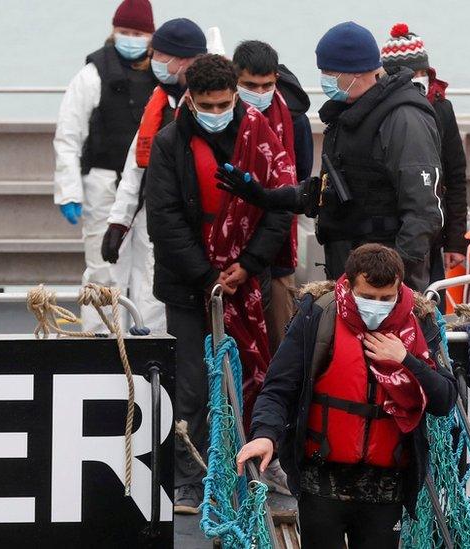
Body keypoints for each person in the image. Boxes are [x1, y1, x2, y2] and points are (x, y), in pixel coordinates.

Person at [144, 54, 294, 514]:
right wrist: (207, 275)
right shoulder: (170, 144)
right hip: (190, 287)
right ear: (189, 100)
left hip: (248, 282)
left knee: (257, 375)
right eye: (206, 106)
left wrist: (248, 264)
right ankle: (190, 477)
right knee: (191, 387)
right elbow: (164, 221)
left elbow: (279, 204)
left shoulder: (260, 137)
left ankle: (263, 467)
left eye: (223, 105)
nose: (215, 113)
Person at [237, 243, 456, 549]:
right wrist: (265, 435)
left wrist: (406, 360)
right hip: (321, 481)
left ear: (399, 289)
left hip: (386, 487)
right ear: (349, 284)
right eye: (367, 297)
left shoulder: (419, 323)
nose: (376, 305)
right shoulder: (318, 315)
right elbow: (278, 388)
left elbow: (444, 400)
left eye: (385, 299)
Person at [315, 21, 444, 291]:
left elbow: (423, 213)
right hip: (350, 273)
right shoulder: (348, 113)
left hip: (386, 286)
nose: (325, 80)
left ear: (356, 73)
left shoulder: (404, 119)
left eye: (330, 73)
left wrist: (387, 277)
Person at [99, 17, 209, 334]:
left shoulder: (213, 103)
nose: (153, 62)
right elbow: (136, 165)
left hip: (199, 225)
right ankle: (150, 358)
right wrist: (118, 222)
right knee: (151, 293)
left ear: (184, 59)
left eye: (160, 55)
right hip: (160, 219)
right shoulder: (161, 102)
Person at [52, 0, 157, 332]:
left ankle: (151, 339)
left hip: (152, 188)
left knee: (152, 270)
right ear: (113, 31)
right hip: (104, 186)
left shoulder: (163, 74)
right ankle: (100, 346)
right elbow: (68, 136)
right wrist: (69, 191)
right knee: (103, 271)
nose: (130, 38)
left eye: (138, 33)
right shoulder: (92, 74)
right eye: (124, 32)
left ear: (150, 36)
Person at [232, 39, 313, 350]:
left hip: (278, 247)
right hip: (232, 247)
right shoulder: (227, 116)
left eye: (267, 85)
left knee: (280, 337)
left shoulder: (294, 121)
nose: (260, 93)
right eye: (250, 85)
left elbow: (300, 182)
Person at [380, 23, 468, 289]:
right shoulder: (386, 111)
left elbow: (455, 176)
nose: (418, 78)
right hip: (394, 229)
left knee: (431, 300)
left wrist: (455, 240)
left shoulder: (441, 109)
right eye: (411, 73)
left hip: (433, 231)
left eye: (422, 72)